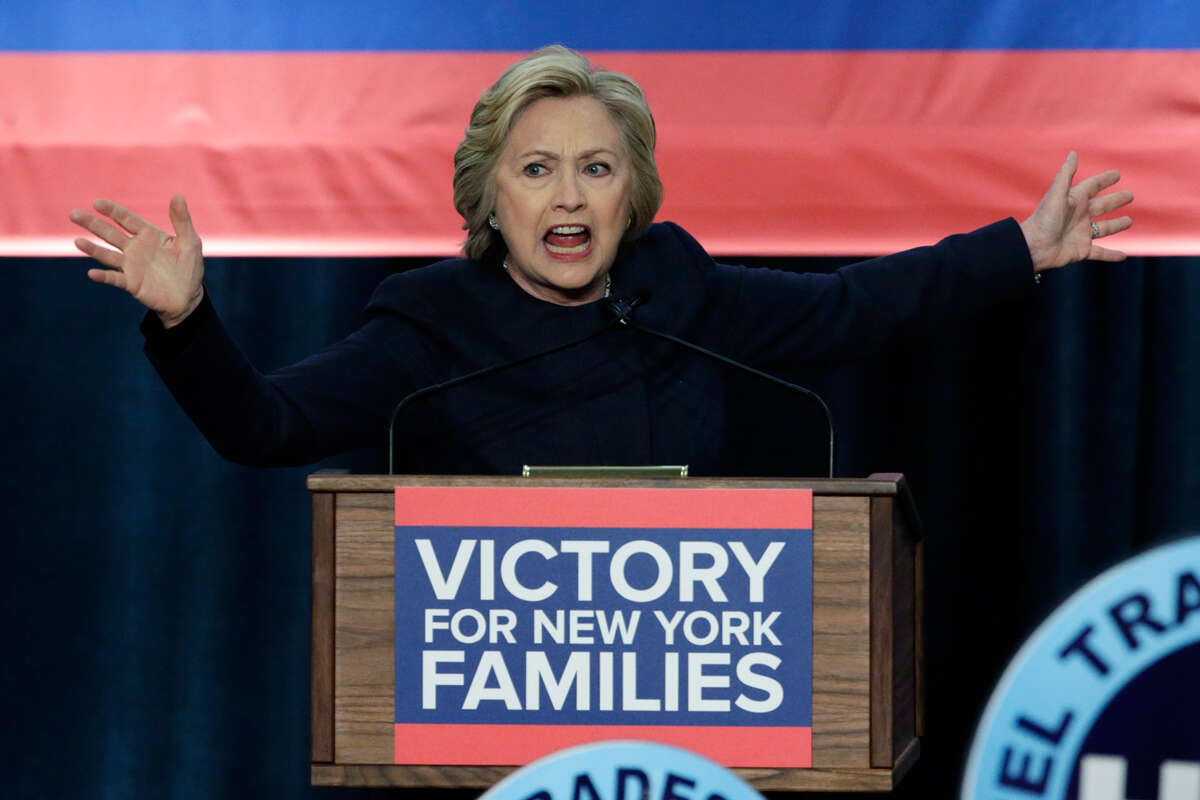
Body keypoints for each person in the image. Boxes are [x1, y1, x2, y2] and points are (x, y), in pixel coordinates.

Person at [69, 45, 1133, 475]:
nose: (570, 197)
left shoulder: (678, 290)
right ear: (489, 197)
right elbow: (266, 427)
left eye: (596, 168)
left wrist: (1021, 249)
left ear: (636, 193)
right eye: (537, 170)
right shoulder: (430, 322)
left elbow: (857, 305)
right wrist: (187, 319)